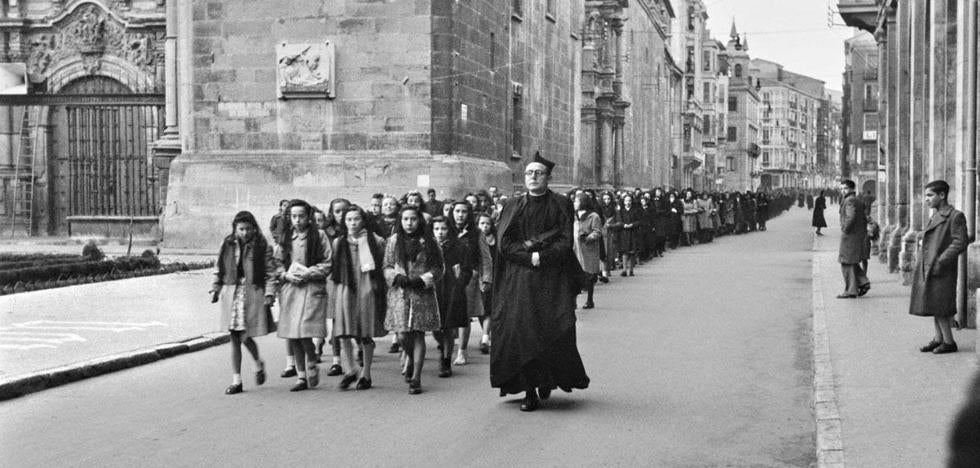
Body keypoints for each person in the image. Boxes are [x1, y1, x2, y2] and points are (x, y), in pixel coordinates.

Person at [491, 152, 590, 412]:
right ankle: (529, 390)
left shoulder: (561, 204)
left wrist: (542, 257)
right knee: (523, 332)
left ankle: (548, 378)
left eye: (539, 173)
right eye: (529, 173)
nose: (533, 177)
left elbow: (565, 241)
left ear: (548, 178)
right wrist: (529, 258)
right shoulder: (513, 205)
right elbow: (504, 243)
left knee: (553, 330)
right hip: (520, 280)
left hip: (552, 279)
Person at [210, 211, 277, 395]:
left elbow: (271, 273)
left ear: (254, 228)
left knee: (245, 336)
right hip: (232, 292)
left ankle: (257, 362)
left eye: (248, 229)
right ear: (235, 228)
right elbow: (219, 268)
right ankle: (236, 380)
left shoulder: (262, 246)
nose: (245, 233)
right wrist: (215, 288)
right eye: (241, 229)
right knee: (234, 338)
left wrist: (270, 293)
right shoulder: (228, 244)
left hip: (252, 293)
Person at [383, 205, 443, 394]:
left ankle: (416, 376)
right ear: (401, 222)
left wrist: (424, 279)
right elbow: (386, 265)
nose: (409, 223)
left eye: (413, 219)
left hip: (421, 293)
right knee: (402, 334)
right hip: (400, 293)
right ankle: (410, 358)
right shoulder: (393, 241)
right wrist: (394, 276)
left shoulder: (429, 242)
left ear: (420, 221)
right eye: (405, 219)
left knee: (418, 334)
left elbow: (439, 268)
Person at [328, 205, 387, 390]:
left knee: (365, 333)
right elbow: (334, 268)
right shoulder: (339, 242)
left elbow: (383, 267)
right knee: (344, 331)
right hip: (345, 289)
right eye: (349, 220)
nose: (353, 223)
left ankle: (366, 374)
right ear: (344, 222)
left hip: (367, 288)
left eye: (356, 219)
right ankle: (350, 369)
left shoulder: (375, 241)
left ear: (363, 220)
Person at [275, 199, 332, 391]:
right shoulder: (285, 238)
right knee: (294, 334)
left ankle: (311, 362)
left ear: (309, 217)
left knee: (305, 331)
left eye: (301, 216)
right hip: (292, 288)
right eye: (294, 216)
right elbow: (276, 263)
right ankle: (301, 376)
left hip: (311, 287)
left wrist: (310, 272)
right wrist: (286, 275)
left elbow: (327, 262)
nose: (297, 220)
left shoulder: (319, 236)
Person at [910, 180, 969, 354]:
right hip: (930, 266)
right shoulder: (936, 215)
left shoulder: (955, 216)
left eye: (930, 195)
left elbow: (960, 242)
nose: (926, 199)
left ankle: (949, 342)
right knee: (934, 303)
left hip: (942, 269)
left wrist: (941, 261)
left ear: (942, 195)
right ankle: (939, 339)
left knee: (941, 306)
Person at [431, 216, 471, 377]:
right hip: (433, 288)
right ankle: (442, 346)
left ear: (449, 230)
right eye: (437, 229)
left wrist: (459, 284)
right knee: (435, 327)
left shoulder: (459, 246)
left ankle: (446, 360)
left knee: (448, 326)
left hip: (452, 289)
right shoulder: (429, 247)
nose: (440, 232)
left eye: (444, 229)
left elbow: (467, 269)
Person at [836, 180, 871, 299]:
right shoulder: (856, 199)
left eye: (845, 188)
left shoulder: (849, 200)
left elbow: (851, 216)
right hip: (857, 235)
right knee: (850, 261)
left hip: (850, 235)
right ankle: (863, 282)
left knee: (846, 261)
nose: (842, 191)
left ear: (851, 189)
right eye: (841, 188)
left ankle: (850, 290)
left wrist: (845, 229)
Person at [573, 193, 602, 309]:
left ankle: (590, 300)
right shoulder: (574, 215)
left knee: (589, 275)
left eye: (576, 201)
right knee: (574, 275)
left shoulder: (594, 216)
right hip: (575, 247)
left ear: (583, 202)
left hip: (588, 248)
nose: (574, 203)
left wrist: (587, 237)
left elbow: (597, 232)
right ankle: (573, 301)